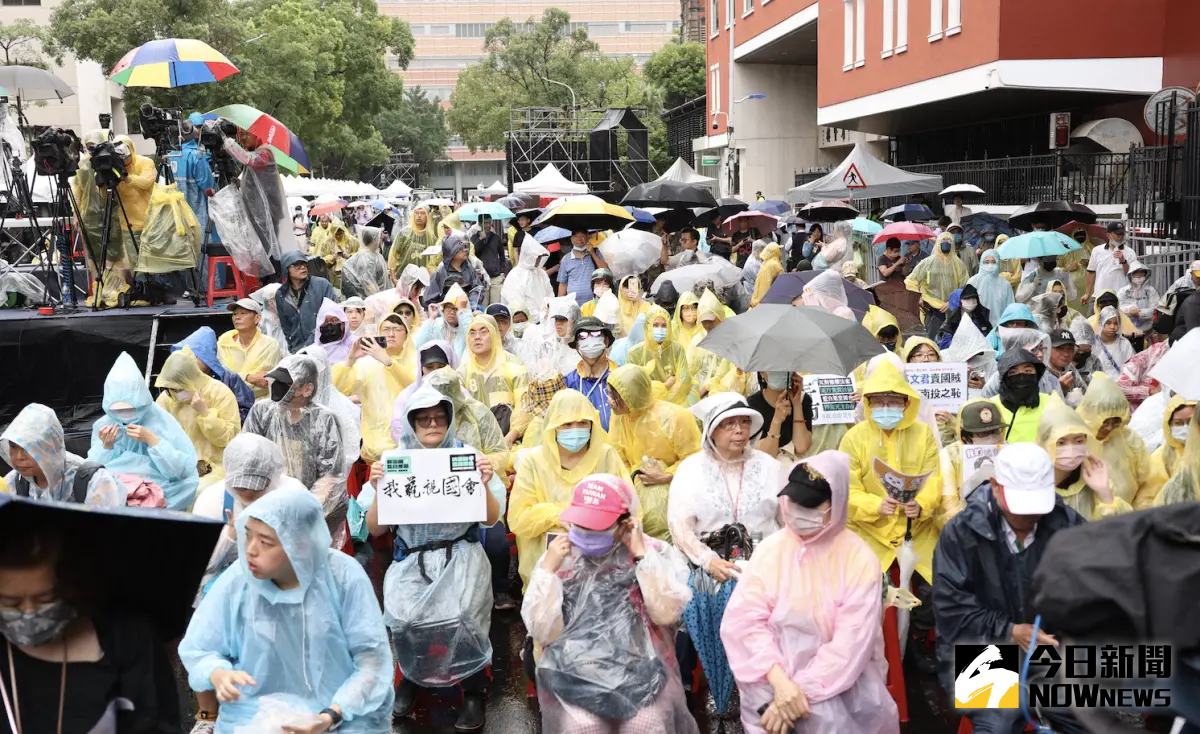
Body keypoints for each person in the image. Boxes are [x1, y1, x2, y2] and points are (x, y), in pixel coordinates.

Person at [180, 488, 394, 733]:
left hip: (344, 714)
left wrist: (330, 715)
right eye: (248, 536)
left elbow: (372, 663)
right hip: (255, 712)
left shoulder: (342, 576)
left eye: (266, 542)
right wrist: (217, 672)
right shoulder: (238, 580)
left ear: (300, 545)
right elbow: (199, 647)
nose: (250, 549)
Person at [722, 450, 900, 734]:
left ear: (837, 502)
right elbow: (744, 622)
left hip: (839, 685)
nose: (798, 511)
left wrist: (798, 693)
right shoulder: (772, 551)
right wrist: (780, 683)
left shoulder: (858, 559)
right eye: (793, 501)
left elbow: (849, 645)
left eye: (811, 505)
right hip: (769, 680)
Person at [366, 386, 506, 730]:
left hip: (461, 553)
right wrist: (379, 488)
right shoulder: (394, 461)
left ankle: (474, 689)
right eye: (424, 419)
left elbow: (490, 518)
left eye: (440, 418)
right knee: (405, 619)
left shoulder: (467, 456)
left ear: (450, 420)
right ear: (411, 424)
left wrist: (483, 482)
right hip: (412, 559)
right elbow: (375, 530)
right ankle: (413, 677)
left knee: (463, 617)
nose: (432, 424)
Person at [523, 474, 697, 734]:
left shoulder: (653, 552)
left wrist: (642, 557)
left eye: (598, 527)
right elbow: (545, 630)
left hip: (642, 668)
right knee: (583, 727)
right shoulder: (560, 556)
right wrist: (547, 571)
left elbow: (667, 613)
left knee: (646, 725)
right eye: (581, 525)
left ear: (625, 522)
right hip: (575, 670)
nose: (587, 534)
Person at [932, 443, 1087, 734]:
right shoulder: (961, 533)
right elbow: (951, 610)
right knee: (999, 721)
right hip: (981, 652)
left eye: (1036, 507)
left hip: (1048, 648)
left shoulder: (1067, 525)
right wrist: (1011, 631)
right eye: (1021, 507)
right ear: (994, 486)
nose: (1029, 518)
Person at [0, 525, 180, 733]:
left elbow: (158, 722)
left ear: (71, 586)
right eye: (11, 602)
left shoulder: (126, 638)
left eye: (45, 598)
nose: (29, 612)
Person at [838, 359, 940, 669]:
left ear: (906, 402)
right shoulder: (854, 438)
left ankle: (917, 644)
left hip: (917, 531)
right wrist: (873, 506)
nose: (886, 406)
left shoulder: (923, 434)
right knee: (869, 594)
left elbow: (935, 478)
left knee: (939, 588)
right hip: (870, 533)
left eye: (893, 400)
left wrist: (921, 504)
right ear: (867, 402)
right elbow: (848, 489)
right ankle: (875, 656)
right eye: (878, 400)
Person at [509, 390, 631, 591]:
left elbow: (629, 507)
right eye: (566, 424)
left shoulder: (605, 455)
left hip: (601, 565)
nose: (575, 429)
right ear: (553, 427)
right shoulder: (533, 462)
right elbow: (518, 518)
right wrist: (557, 516)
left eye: (583, 422)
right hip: (547, 567)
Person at [242, 355, 349, 545]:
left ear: (307, 389)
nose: (277, 388)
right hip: (268, 502)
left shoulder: (324, 420)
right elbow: (249, 457)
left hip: (309, 509)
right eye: (276, 381)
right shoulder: (262, 411)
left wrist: (303, 512)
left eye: (287, 384)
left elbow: (331, 476)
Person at [89, 353, 199, 511]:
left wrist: (153, 441)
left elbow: (180, 472)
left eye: (129, 409)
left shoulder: (161, 422)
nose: (123, 415)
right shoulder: (104, 424)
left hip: (160, 487)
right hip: (119, 488)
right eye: (117, 411)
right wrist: (106, 447)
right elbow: (93, 469)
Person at [607, 364, 702, 542]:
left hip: (673, 499)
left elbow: (695, 458)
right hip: (633, 502)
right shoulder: (619, 417)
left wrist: (666, 475)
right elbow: (617, 456)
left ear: (631, 396)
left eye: (616, 397)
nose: (610, 401)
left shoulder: (675, 416)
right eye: (609, 394)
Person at [1, 403, 127, 506]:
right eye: (13, 447)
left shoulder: (93, 481)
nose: (18, 457)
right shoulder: (14, 483)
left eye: (28, 448)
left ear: (48, 446)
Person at [154, 347, 240, 492]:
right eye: (172, 389)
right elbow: (158, 435)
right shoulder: (166, 399)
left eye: (180, 389)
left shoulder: (220, 393)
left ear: (193, 380)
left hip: (215, 466)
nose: (176, 394)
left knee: (195, 492)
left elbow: (227, 440)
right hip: (178, 465)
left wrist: (205, 413)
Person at [1076, 373, 1163, 510]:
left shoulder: (1128, 437)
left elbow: (1147, 478)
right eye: (1105, 422)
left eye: (1115, 422)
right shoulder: (1075, 438)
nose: (1110, 428)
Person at [1035, 399, 1127, 520]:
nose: (1071, 450)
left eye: (1078, 441)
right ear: (1045, 443)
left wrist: (1105, 494)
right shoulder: (1033, 482)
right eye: (1061, 442)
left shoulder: (1092, 476)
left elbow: (1118, 527)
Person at [937, 399, 1007, 527]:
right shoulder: (950, 455)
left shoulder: (1009, 451)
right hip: (965, 525)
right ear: (966, 433)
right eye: (983, 433)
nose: (991, 437)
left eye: (995, 431)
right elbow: (948, 505)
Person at [460, 314, 529, 433]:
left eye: (483, 332)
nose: (477, 337)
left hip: (511, 438)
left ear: (494, 334)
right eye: (472, 333)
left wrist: (512, 436)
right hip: (475, 440)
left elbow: (524, 407)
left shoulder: (514, 365)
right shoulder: (463, 372)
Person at [174, 326, 256, 424]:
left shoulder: (229, 378)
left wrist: (211, 414)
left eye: (194, 356)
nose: (190, 361)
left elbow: (246, 413)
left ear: (207, 356)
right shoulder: (180, 378)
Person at [906, 232, 969, 340]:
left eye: (949, 241)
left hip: (953, 310)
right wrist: (918, 297)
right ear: (938, 243)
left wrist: (952, 301)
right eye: (943, 241)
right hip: (932, 309)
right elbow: (910, 281)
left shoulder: (959, 264)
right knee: (933, 341)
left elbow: (965, 287)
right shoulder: (927, 263)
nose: (946, 243)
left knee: (951, 342)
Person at [217, 298, 283, 401]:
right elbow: (221, 377)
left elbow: (264, 383)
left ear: (257, 318)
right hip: (227, 402)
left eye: (243, 313)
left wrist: (234, 379)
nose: (237, 317)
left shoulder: (270, 345)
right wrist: (249, 377)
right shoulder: (223, 343)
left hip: (259, 402)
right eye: (234, 314)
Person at [626, 305, 692, 405]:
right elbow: (634, 386)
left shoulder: (677, 349)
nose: (660, 329)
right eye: (655, 325)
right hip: (647, 405)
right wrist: (665, 386)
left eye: (664, 325)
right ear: (647, 326)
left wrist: (667, 401)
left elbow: (684, 380)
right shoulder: (634, 353)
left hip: (675, 403)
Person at [275, 250, 338, 353]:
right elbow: (286, 325)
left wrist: (311, 343)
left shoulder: (322, 285)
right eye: (297, 265)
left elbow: (332, 315)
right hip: (299, 349)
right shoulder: (281, 294)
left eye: (304, 263)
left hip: (324, 345)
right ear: (287, 268)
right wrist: (292, 347)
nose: (303, 267)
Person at [562, 316, 617, 431]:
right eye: (583, 336)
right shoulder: (569, 383)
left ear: (606, 341)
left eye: (596, 334)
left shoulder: (621, 377)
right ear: (577, 345)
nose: (590, 340)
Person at [426, 233, 484, 308]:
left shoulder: (469, 268)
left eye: (466, 246)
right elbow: (430, 299)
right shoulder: (440, 272)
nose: (465, 250)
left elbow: (477, 288)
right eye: (461, 248)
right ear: (451, 251)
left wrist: (472, 303)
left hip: (466, 311)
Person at [501, 237, 555, 315]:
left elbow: (550, 294)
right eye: (536, 256)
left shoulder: (541, 273)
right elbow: (516, 304)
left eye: (540, 257)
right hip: (522, 321)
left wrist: (548, 310)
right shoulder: (515, 275)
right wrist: (536, 316)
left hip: (544, 319)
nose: (538, 259)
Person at [557, 229, 609, 306]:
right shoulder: (566, 259)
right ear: (571, 239)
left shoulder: (596, 252)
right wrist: (560, 304)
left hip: (594, 303)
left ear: (587, 237)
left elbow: (606, 271)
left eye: (582, 236)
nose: (579, 239)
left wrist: (593, 253)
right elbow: (563, 284)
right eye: (576, 236)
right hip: (573, 304)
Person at [1083, 221, 1131, 303]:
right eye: (1118, 234)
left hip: (1120, 297)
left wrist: (1123, 261)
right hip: (1100, 295)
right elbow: (1091, 273)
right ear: (1108, 235)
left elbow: (1130, 274)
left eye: (1122, 234)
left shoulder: (1129, 252)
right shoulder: (1097, 250)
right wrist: (1087, 293)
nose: (1121, 237)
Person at [389, 203, 439, 277]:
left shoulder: (431, 238)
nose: (419, 216)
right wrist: (393, 276)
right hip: (403, 277)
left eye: (422, 213)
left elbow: (434, 261)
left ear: (427, 217)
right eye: (416, 213)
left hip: (423, 280)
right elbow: (394, 254)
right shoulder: (404, 233)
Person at [935, 283, 992, 349]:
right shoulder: (950, 324)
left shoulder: (981, 320)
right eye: (967, 299)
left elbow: (990, 338)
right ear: (959, 302)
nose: (971, 302)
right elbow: (943, 344)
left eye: (974, 298)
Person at [341, 226, 390, 299]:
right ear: (374, 239)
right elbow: (368, 283)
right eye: (380, 237)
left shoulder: (375, 254)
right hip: (372, 300)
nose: (382, 239)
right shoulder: (365, 258)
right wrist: (379, 299)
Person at [471, 214, 507, 305]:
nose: (487, 225)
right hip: (482, 278)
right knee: (483, 305)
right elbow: (472, 253)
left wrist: (502, 272)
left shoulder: (496, 238)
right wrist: (480, 239)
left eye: (489, 223)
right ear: (479, 223)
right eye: (485, 223)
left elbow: (502, 256)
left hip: (496, 277)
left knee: (496, 304)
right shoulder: (473, 238)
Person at [1045, 328, 1087, 405]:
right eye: (1060, 348)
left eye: (1070, 349)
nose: (1066, 354)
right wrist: (1059, 389)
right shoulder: (1041, 371)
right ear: (1048, 348)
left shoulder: (1069, 367)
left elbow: (1084, 392)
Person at [1092, 305, 1136, 378]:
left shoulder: (1124, 343)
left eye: (1116, 323)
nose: (1112, 327)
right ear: (1101, 323)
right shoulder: (1094, 344)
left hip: (1120, 386)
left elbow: (1132, 366)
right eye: (1108, 323)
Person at [314, 220, 359, 289]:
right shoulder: (327, 243)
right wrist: (331, 258)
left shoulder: (352, 241)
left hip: (350, 273)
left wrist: (349, 256)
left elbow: (359, 256)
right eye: (336, 234)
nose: (338, 236)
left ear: (344, 231)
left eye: (340, 233)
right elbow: (322, 259)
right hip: (334, 275)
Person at [1117, 260, 1158, 335]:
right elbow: (1118, 307)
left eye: (1142, 274)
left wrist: (1139, 313)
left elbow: (1155, 309)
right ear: (1130, 275)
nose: (1139, 276)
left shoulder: (1151, 291)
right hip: (1127, 329)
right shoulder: (1123, 291)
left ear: (1146, 275)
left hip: (1147, 329)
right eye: (1136, 274)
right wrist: (1129, 310)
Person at [749, 242, 785, 307]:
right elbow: (782, 281)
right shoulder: (775, 265)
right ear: (775, 251)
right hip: (769, 300)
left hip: (758, 299)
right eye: (779, 250)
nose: (780, 252)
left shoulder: (765, 263)